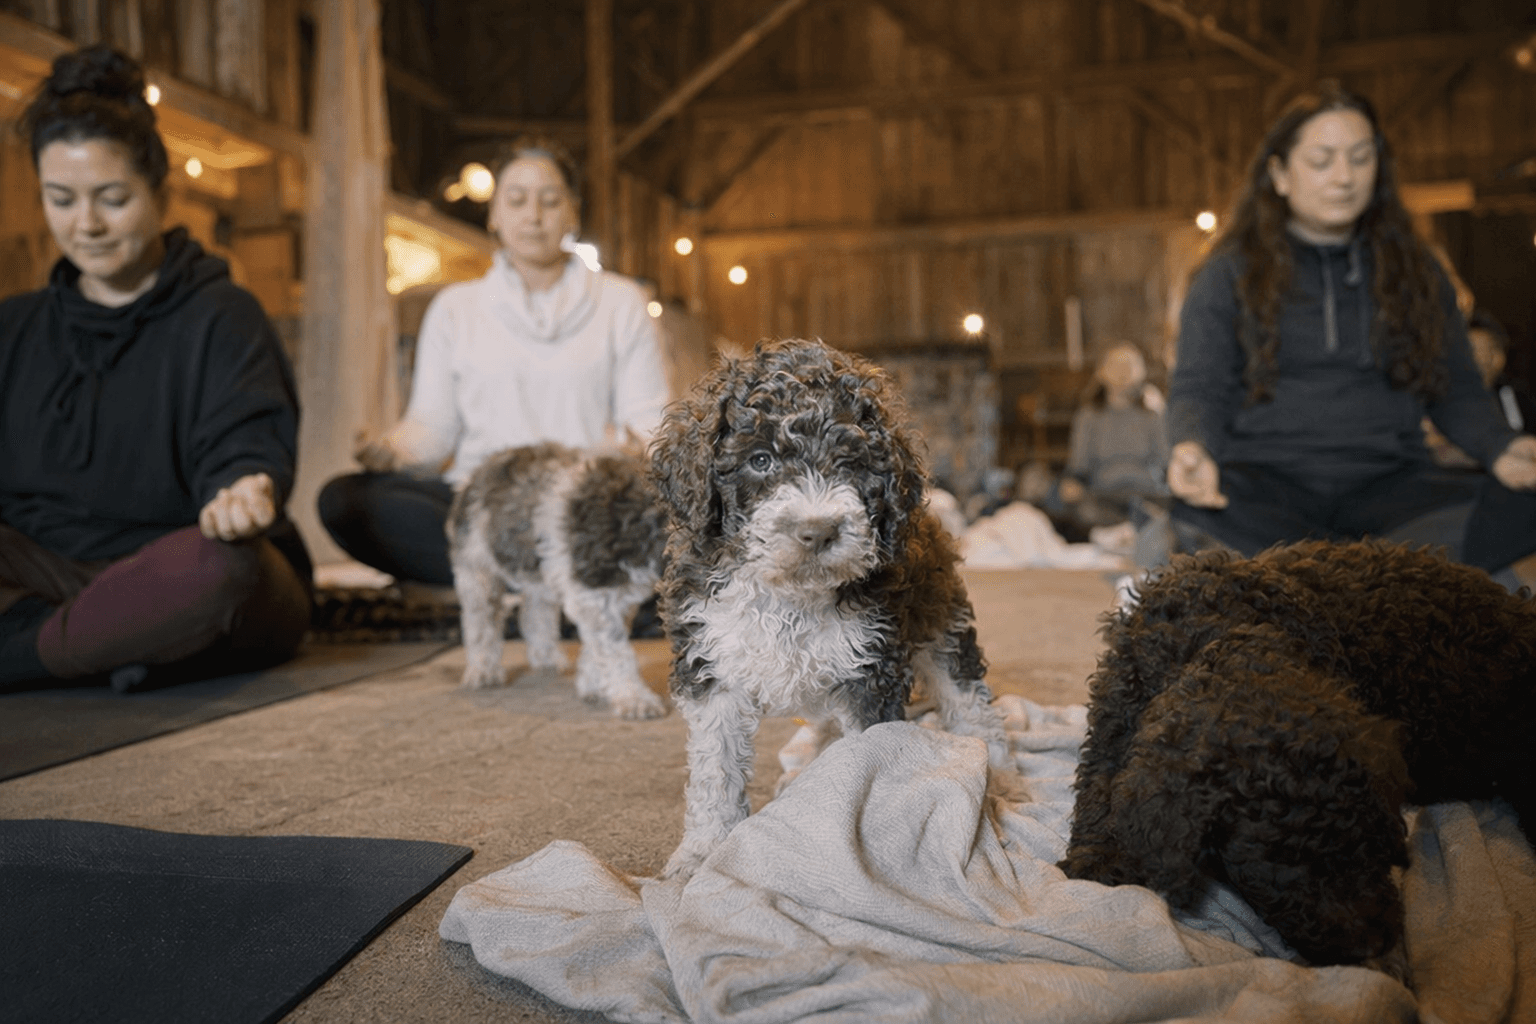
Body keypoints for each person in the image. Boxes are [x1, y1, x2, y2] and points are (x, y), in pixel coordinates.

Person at [0, 45, 312, 690]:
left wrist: (244, 491)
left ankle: (32, 655)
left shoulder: (222, 314)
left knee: (225, 570)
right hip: (42, 568)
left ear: (159, 193)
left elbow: (247, 446)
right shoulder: (15, 325)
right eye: (61, 199)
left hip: (169, 566)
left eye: (111, 199)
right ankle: (100, 646)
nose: (85, 224)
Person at [1164, 80, 1536, 578]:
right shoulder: (1227, 272)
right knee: (1180, 526)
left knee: (1519, 507)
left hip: (1393, 490)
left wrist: (1500, 446)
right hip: (1265, 490)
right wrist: (1192, 447)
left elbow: (1454, 388)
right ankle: (1367, 579)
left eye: (1361, 158)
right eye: (1322, 161)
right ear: (1278, 173)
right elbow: (1199, 385)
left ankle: (1331, 577)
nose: (1344, 177)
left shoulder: (1418, 269)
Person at [317, 136, 669, 587]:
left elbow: (651, 423)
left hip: (582, 505)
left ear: (573, 211)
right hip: (482, 504)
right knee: (345, 501)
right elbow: (433, 425)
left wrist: (634, 449)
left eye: (550, 200)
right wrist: (394, 450)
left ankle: (507, 583)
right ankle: (546, 585)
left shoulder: (623, 303)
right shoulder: (455, 308)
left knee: (662, 520)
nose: (533, 216)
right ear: (495, 214)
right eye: (517, 200)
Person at [1050, 343, 1169, 539]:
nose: (1123, 373)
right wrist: (1072, 484)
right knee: (1069, 502)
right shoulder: (1089, 416)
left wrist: (1163, 411)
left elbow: (1166, 460)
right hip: (1104, 495)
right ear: (1101, 372)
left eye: (1130, 366)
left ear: (1141, 372)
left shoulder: (1153, 413)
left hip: (1147, 494)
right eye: (1116, 366)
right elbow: (1079, 465)